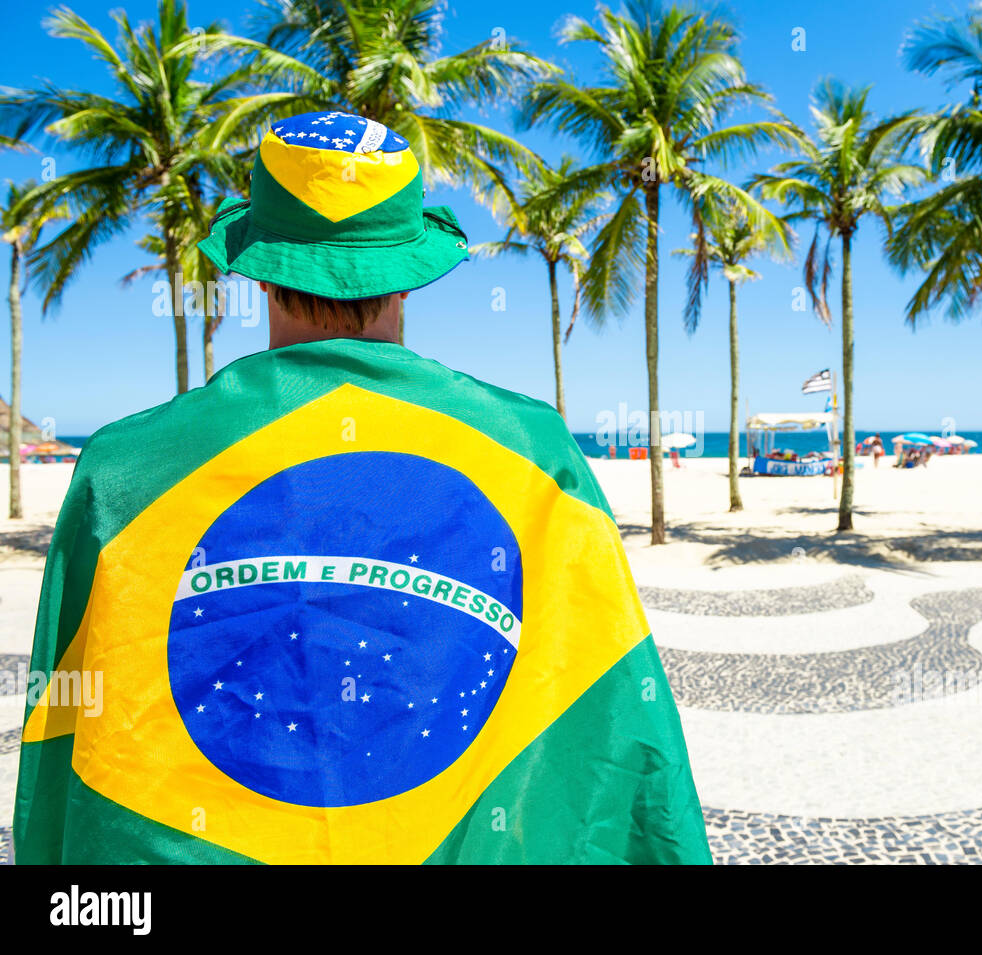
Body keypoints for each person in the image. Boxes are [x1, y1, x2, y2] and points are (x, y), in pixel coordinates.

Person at [12, 112, 709, 866]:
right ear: (409, 274)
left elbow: (68, 735)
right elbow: (614, 720)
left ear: (256, 266)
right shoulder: (536, 453)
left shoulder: (122, 469)